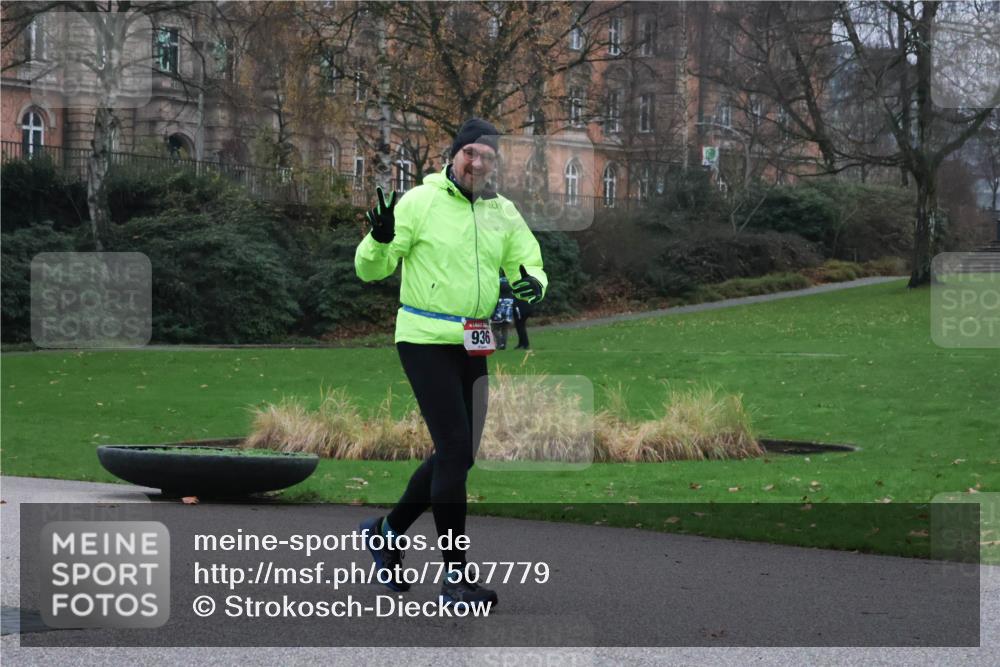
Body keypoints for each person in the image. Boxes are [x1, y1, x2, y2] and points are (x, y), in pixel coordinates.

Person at [354, 118, 547, 610]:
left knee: (457, 455)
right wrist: (378, 239)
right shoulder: (420, 202)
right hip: (423, 338)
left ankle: (386, 533)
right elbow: (369, 269)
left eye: (487, 156)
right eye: (470, 154)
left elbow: (529, 266)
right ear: (454, 153)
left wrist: (531, 288)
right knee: (456, 447)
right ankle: (455, 581)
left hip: (474, 340)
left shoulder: (503, 212)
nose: (477, 163)